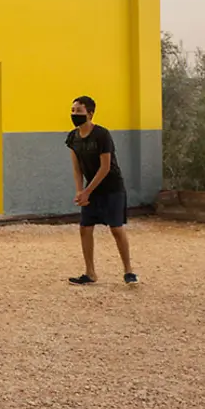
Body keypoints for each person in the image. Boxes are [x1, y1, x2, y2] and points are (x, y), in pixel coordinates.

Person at [65, 96, 138, 286]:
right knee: (85, 228)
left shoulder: (102, 135)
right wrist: (80, 192)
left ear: (90, 113)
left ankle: (128, 271)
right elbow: (76, 167)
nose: (74, 114)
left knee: (116, 228)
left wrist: (88, 191)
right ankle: (90, 273)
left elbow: (105, 167)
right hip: (91, 189)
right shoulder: (72, 137)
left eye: (79, 111)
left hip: (112, 187)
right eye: (72, 110)